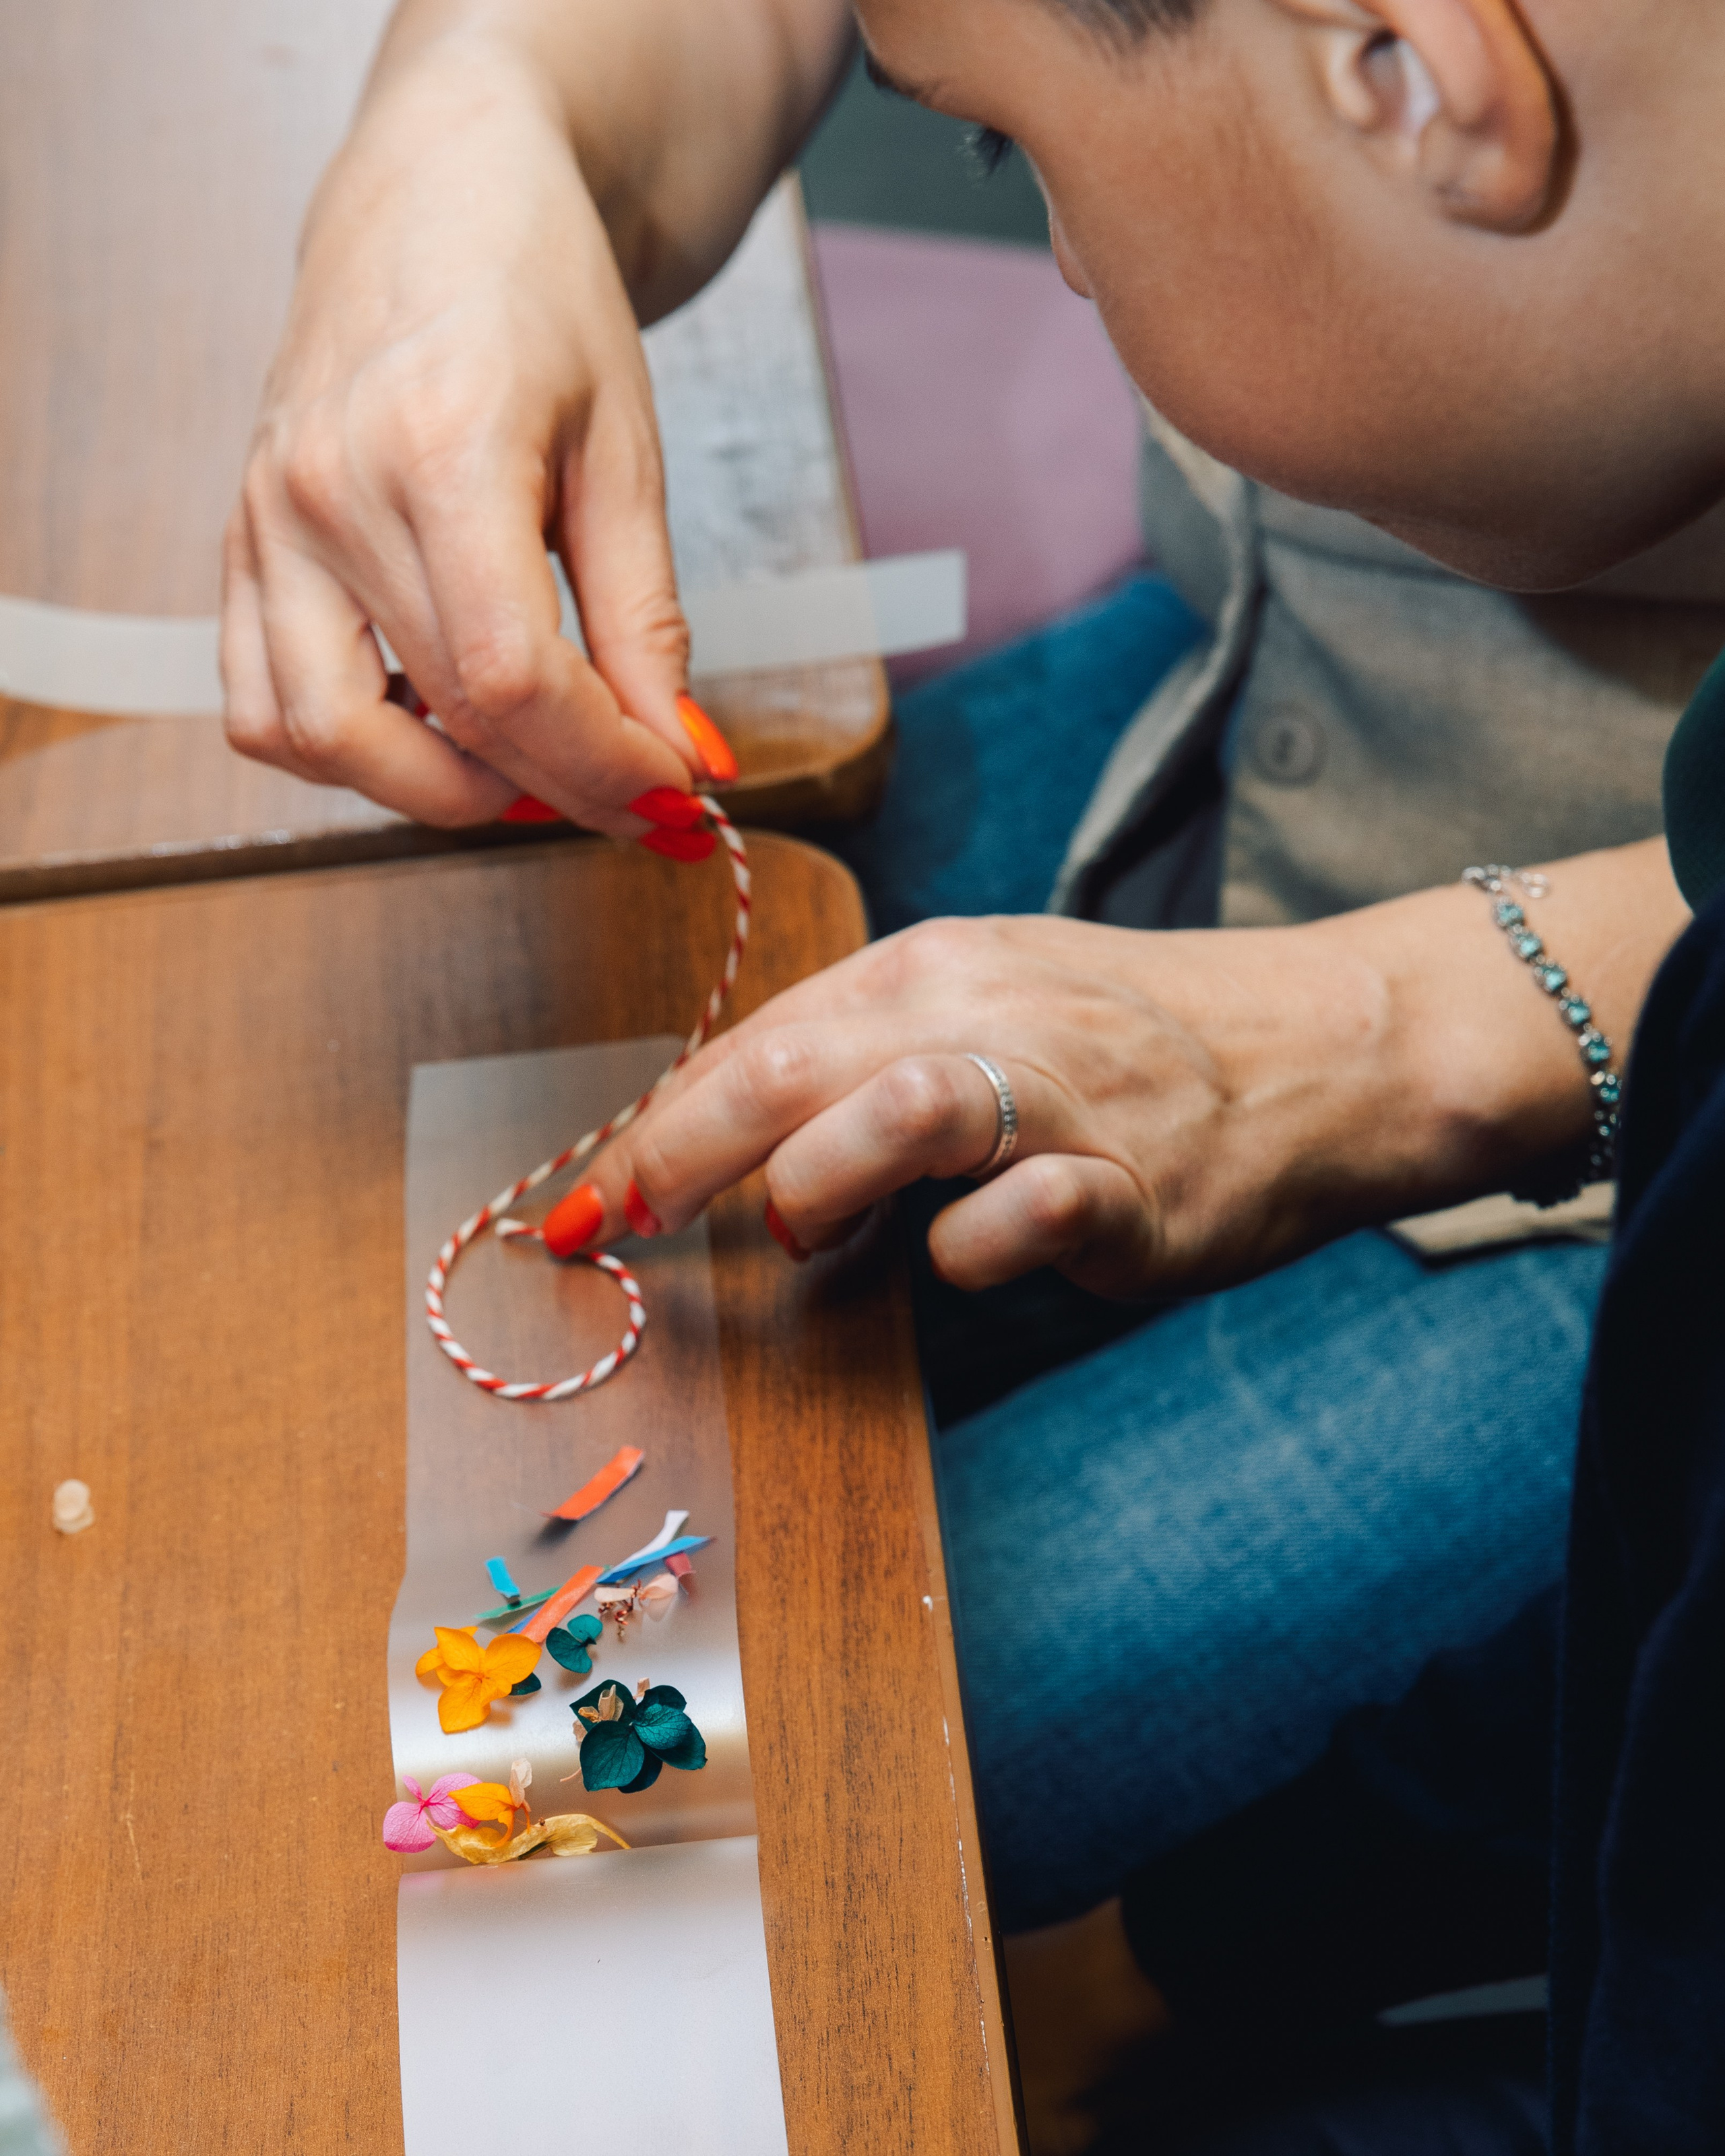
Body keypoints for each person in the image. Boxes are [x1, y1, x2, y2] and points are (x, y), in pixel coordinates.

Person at [221, 0, 1725, 2146]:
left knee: (613, 1820)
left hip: (1646, 1095)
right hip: (1259, 691)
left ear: (1400, 67)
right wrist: (478, 122)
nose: (1058, 262)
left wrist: (1412, 1027)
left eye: (1007, 153)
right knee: (303, 1345)